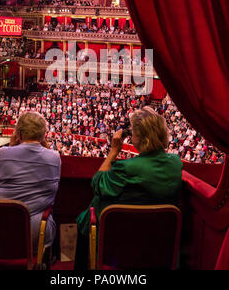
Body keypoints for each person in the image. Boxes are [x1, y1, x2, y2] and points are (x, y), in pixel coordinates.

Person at [74, 106, 183, 269]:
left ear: (142, 137)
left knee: (88, 214)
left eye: (133, 133)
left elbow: (97, 183)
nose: (131, 137)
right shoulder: (175, 163)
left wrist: (114, 150)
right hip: (158, 246)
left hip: (121, 242)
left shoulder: (126, 168)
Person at [0, 112, 61, 252]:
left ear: (18, 134)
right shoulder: (54, 157)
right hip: (34, 233)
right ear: (43, 135)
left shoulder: (2, 153)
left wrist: (11, 147)